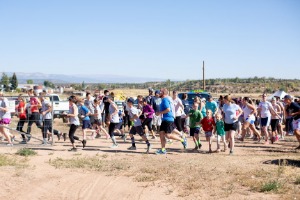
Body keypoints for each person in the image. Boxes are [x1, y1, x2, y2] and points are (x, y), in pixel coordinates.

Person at [155, 88, 187, 155]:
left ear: (163, 93)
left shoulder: (165, 100)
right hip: (165, 119)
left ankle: (182, 140)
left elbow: (168, 109)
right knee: (161, 134)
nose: (159, 93)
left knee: (168, 135)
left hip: (168, 119)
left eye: (160, 92)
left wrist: (160, 113)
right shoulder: (168, 99)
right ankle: (163, 150)